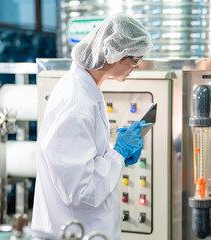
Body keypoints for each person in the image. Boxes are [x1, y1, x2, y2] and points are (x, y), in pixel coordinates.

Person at [31, 13, 152, 239]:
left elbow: (81, 157)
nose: (135, 67)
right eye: (134, 59)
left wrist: (113, 150)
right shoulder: (76, 104)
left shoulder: (87, 88)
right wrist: (119, 153)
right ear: (112, 54)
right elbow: (80, 191)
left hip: (87, 227)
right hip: (73, 229)